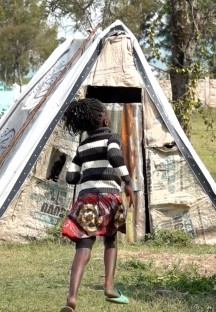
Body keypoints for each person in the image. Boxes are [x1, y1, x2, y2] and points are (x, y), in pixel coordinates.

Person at [58, 98, 134, 312]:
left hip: (86, 200)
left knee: (83, 245)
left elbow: (71, 176)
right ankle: (109, 285)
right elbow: (113, 155)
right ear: (102, 119)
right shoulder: (112, 137)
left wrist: (86, 172)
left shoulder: (82, 146)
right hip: (108, 198)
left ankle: (71, 298)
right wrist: (127, 182)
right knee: (110, 240)